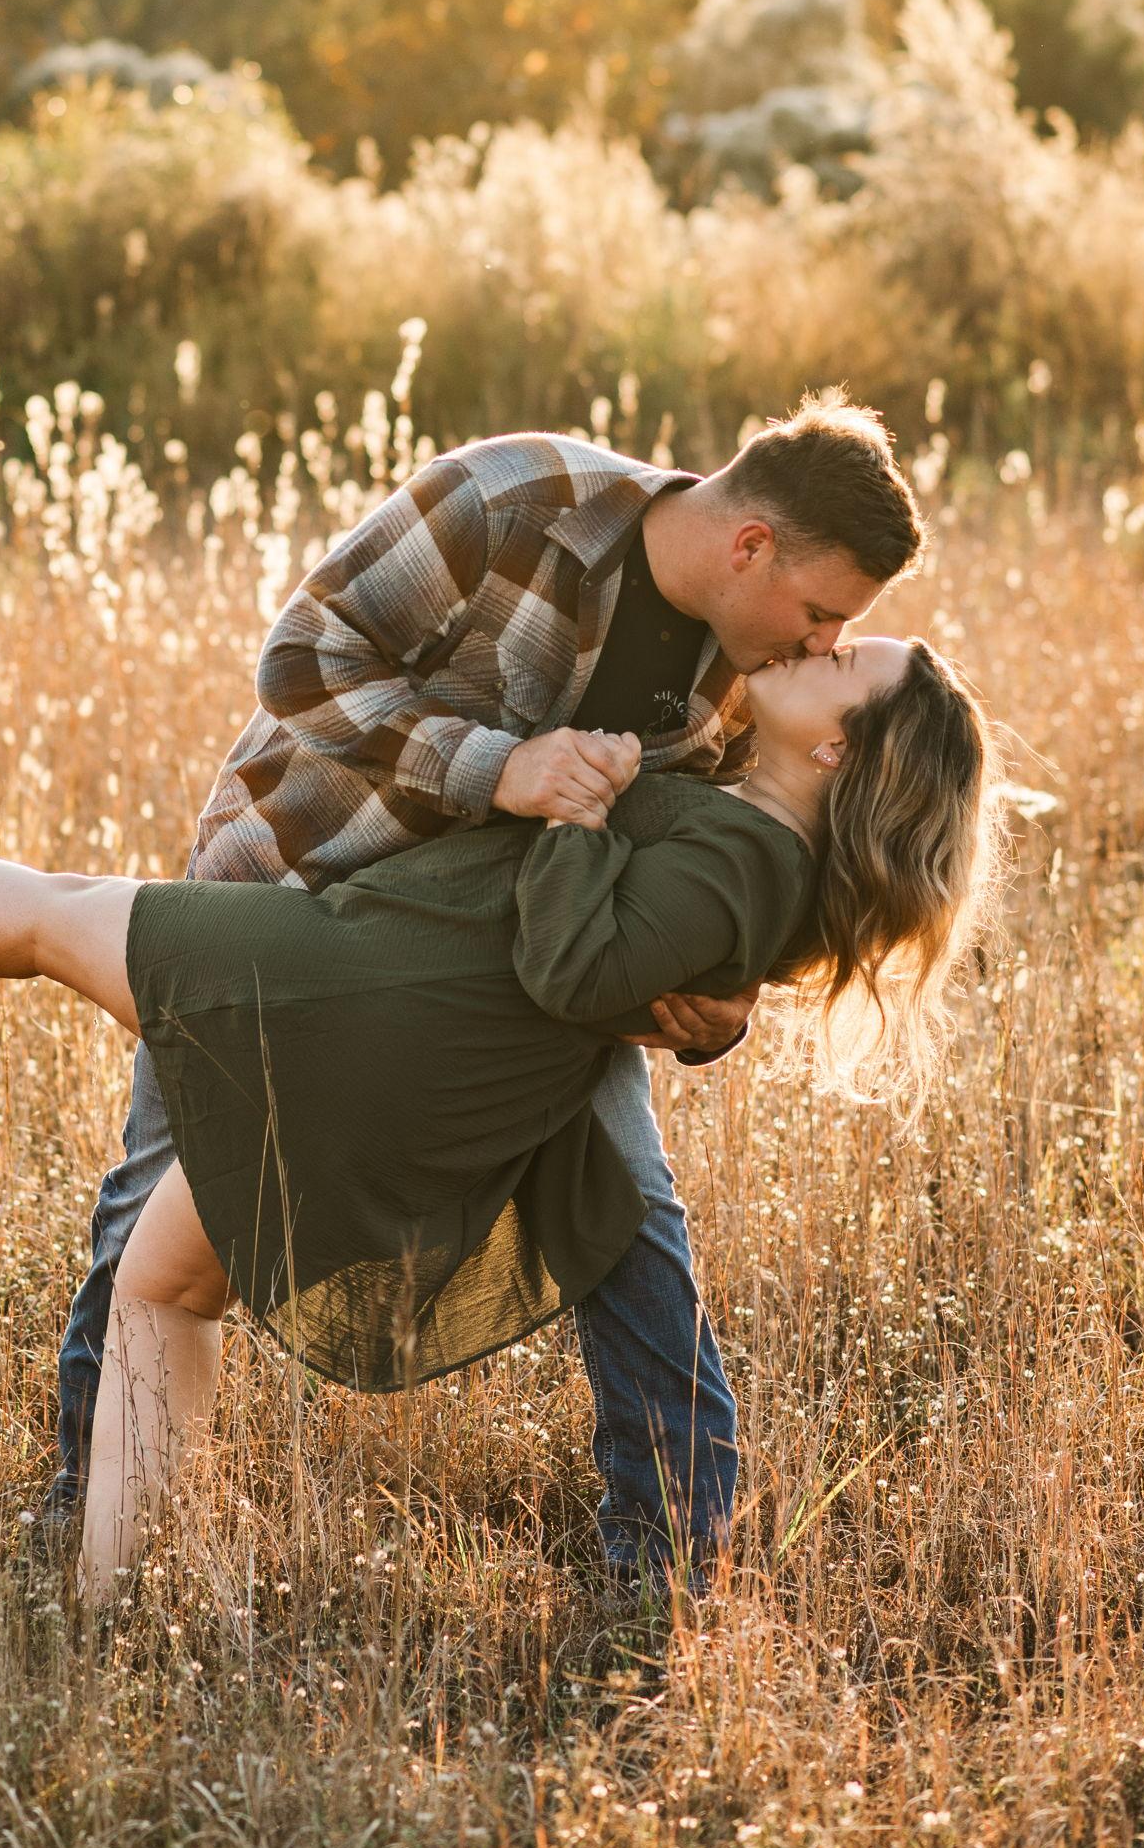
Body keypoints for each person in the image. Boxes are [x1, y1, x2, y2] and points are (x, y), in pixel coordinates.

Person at [0, 629, 1001, 1603]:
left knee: (55, 922)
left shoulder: (744, 860)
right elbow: (640, 979)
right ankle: (106, 1598)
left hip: (356, 1001)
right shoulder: (754, 849)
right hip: (384, 1010)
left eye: (847, 660)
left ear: (835, 750)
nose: (822, 641)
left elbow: (572, 971)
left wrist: (575, 812)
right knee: (165, 1282)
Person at [58, 390, 930, 1595]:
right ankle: (80, 1509)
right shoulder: (512, 499)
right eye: (819, 609)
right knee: (157, 1190)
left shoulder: (755, 673)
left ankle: (667, 1556)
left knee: (630, 1214)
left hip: (531, 973)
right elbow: (301, 664)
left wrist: (726, 1004)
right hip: (298, 894)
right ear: (748, 546)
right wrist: (501, 767)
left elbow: (737, 859)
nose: (815, 642)